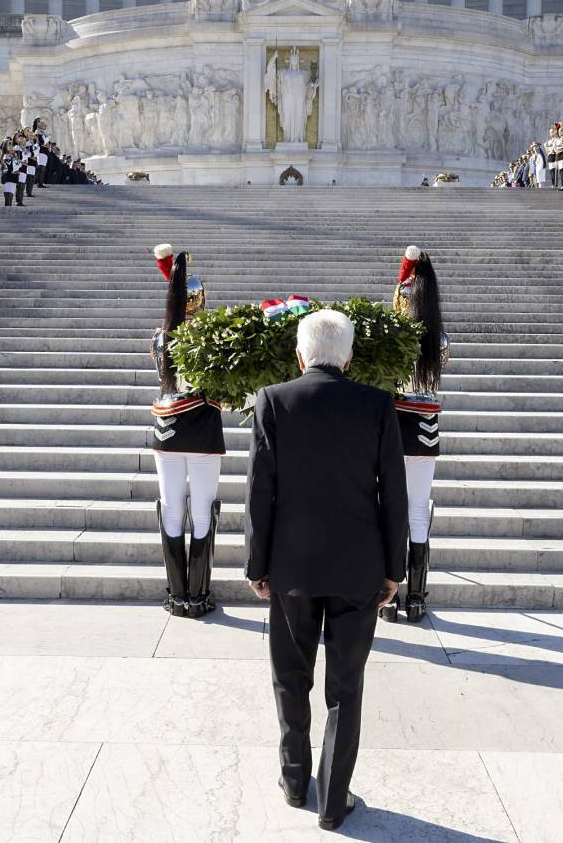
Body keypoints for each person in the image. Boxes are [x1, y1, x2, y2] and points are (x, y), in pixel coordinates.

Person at [246, 309, 407, 832]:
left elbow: (259, 494)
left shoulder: (273, 400)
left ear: (300, 354)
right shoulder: (378, 405)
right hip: (359, 569)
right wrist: (394, 569)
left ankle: (295, 784)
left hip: (292, 567)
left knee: (290, 678)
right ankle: (334, 802)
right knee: (346, 687)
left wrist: (257, 562)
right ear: (350, 355)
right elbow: (394, 498)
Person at [150, 244, 225, 618]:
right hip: (203, 431)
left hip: (166, 429)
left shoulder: (160, 336)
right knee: (202, 509)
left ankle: (176, 596)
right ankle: (199, 594)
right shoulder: (211, 336)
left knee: (170, 508)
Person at [379, 246, 446, 625]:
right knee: (419, 512)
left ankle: (388, 599)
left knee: (392, 512)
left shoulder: (394, 337)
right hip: (426, 428)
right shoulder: (439, 339)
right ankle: (417, 599)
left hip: (395, 426)